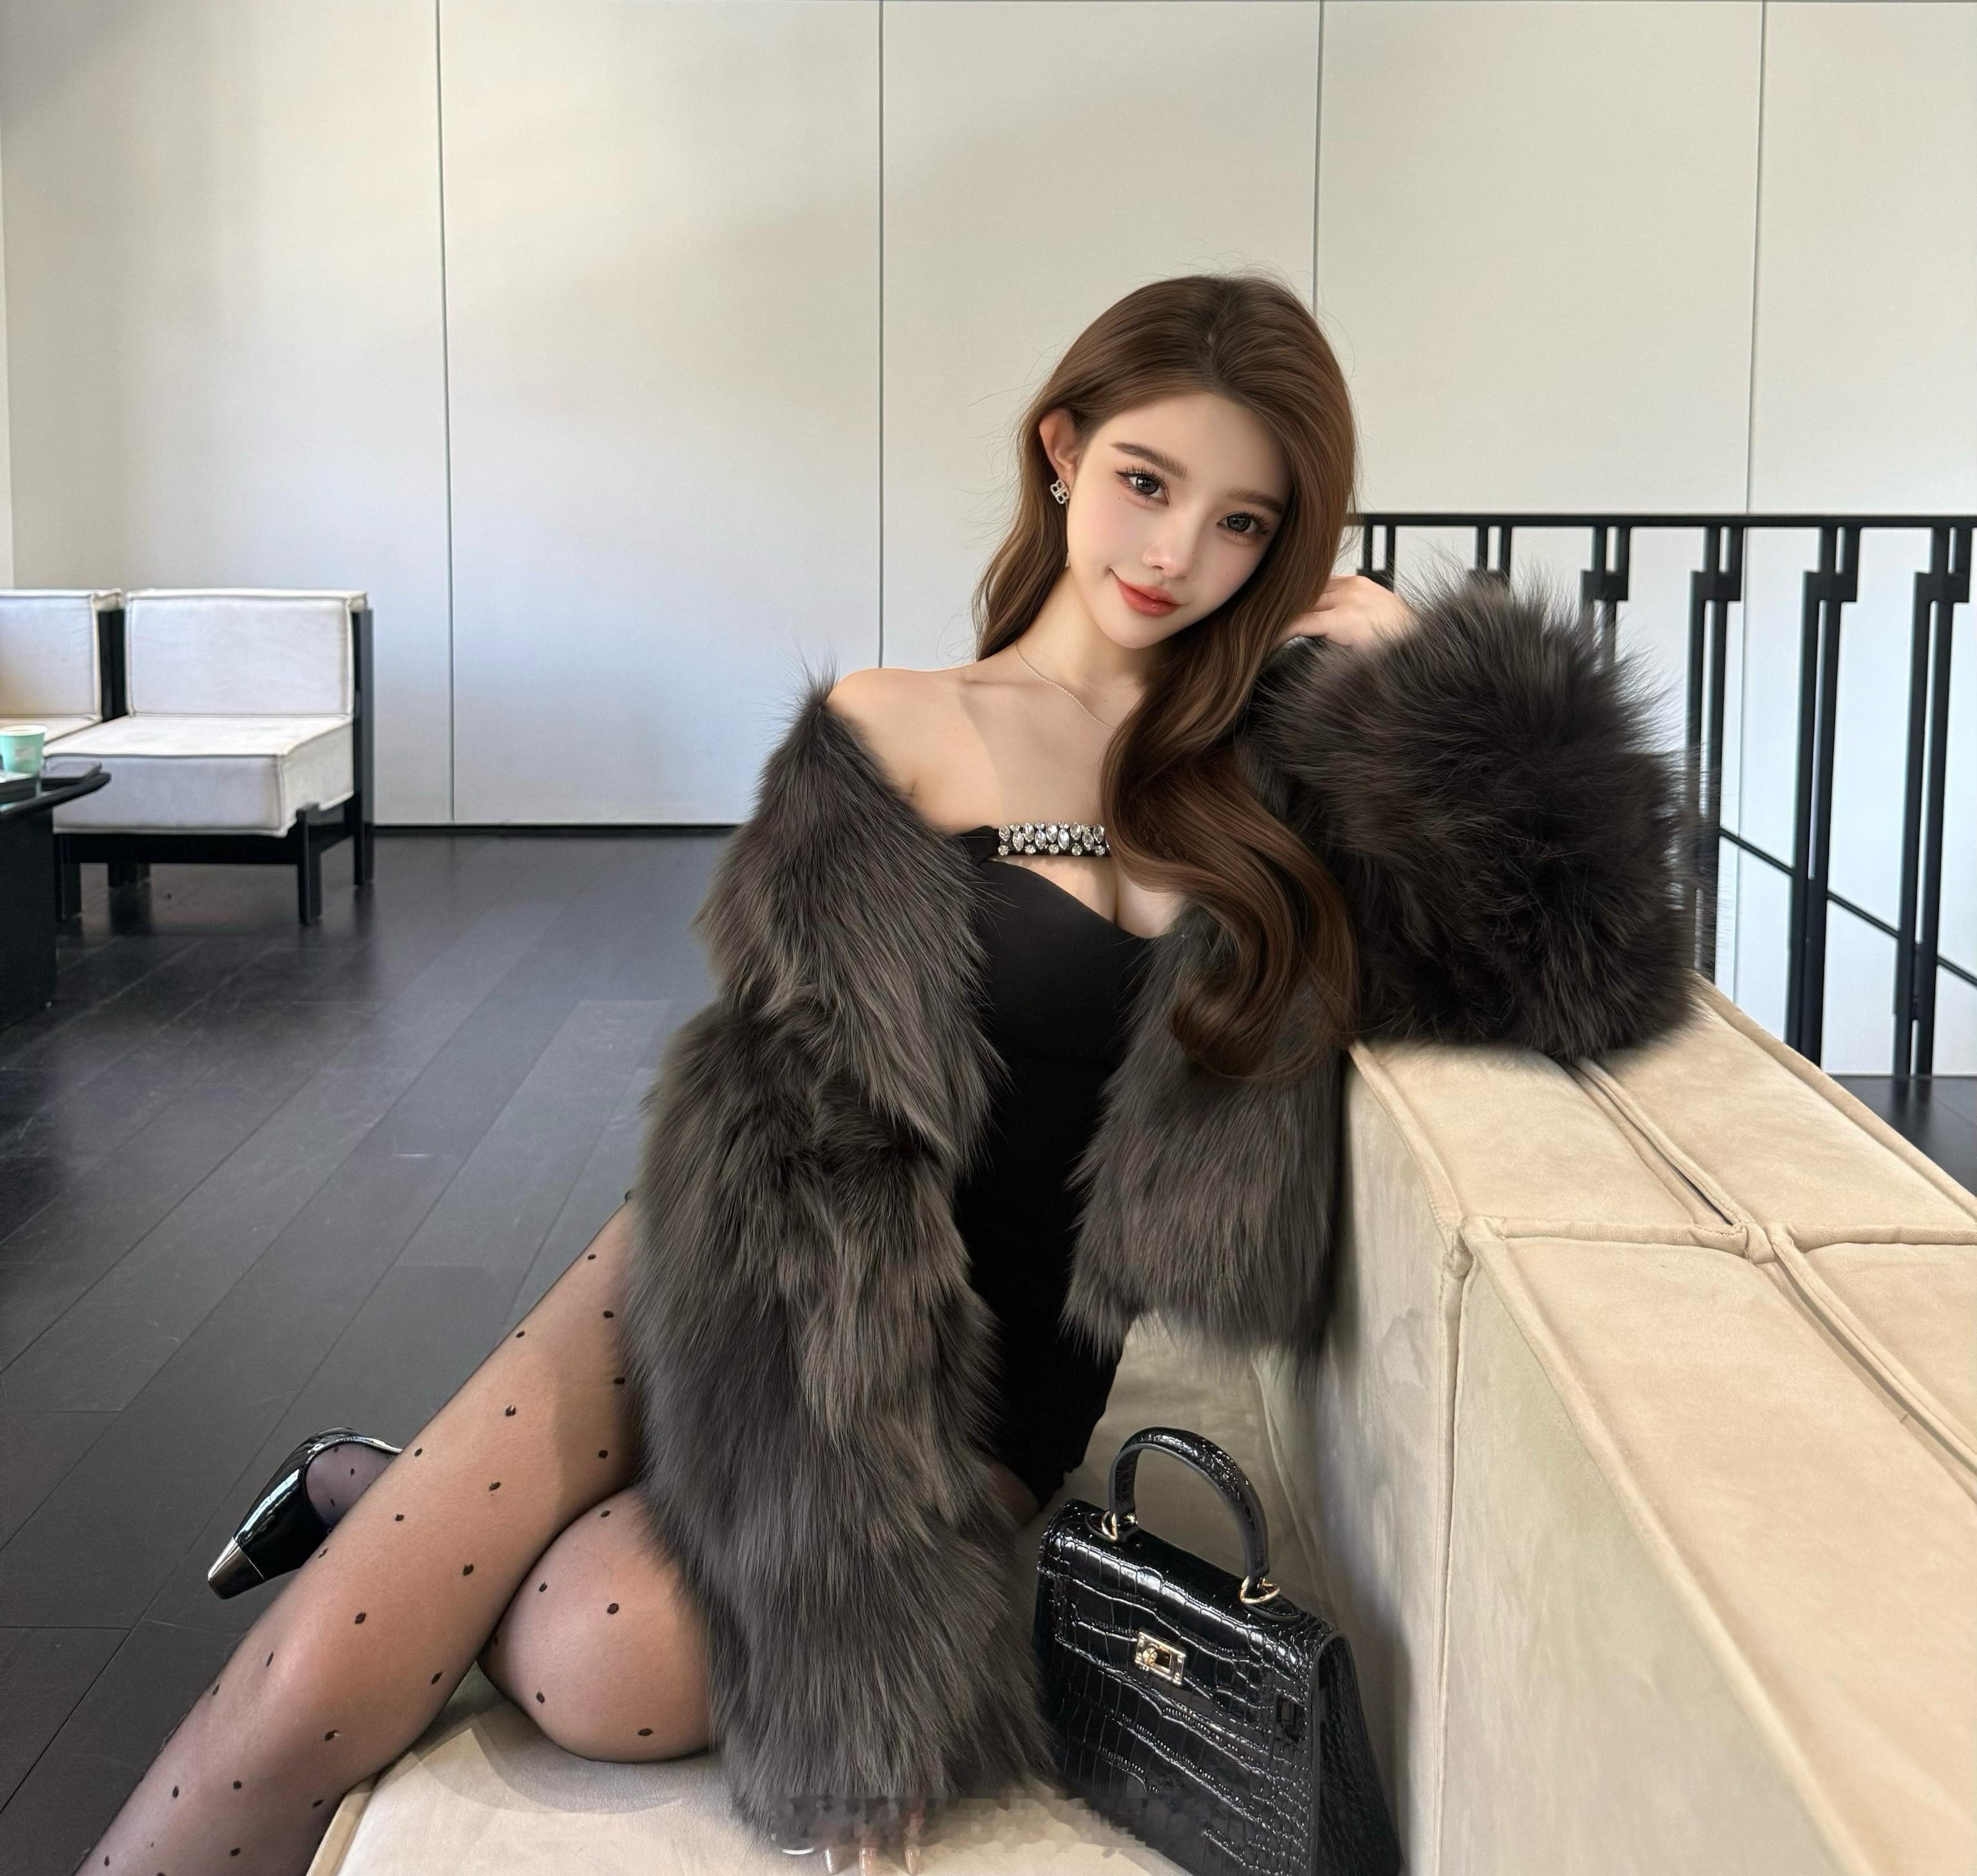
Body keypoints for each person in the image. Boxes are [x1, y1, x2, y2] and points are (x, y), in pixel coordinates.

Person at [82, 273, 1691, 1876]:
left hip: (993, 1401)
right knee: (305, 1684)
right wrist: (840, 1592)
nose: (1173, 554)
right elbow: (810, 1161)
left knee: (604, 1652)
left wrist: (1426, 676)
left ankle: (367, 1481)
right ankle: (380, 1527)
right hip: (747, 1280)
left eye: (1242, 523)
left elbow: (1592, 967)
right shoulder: (893, 726)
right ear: (1062, 447)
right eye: (1145, 481)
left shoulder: (1281, 795)